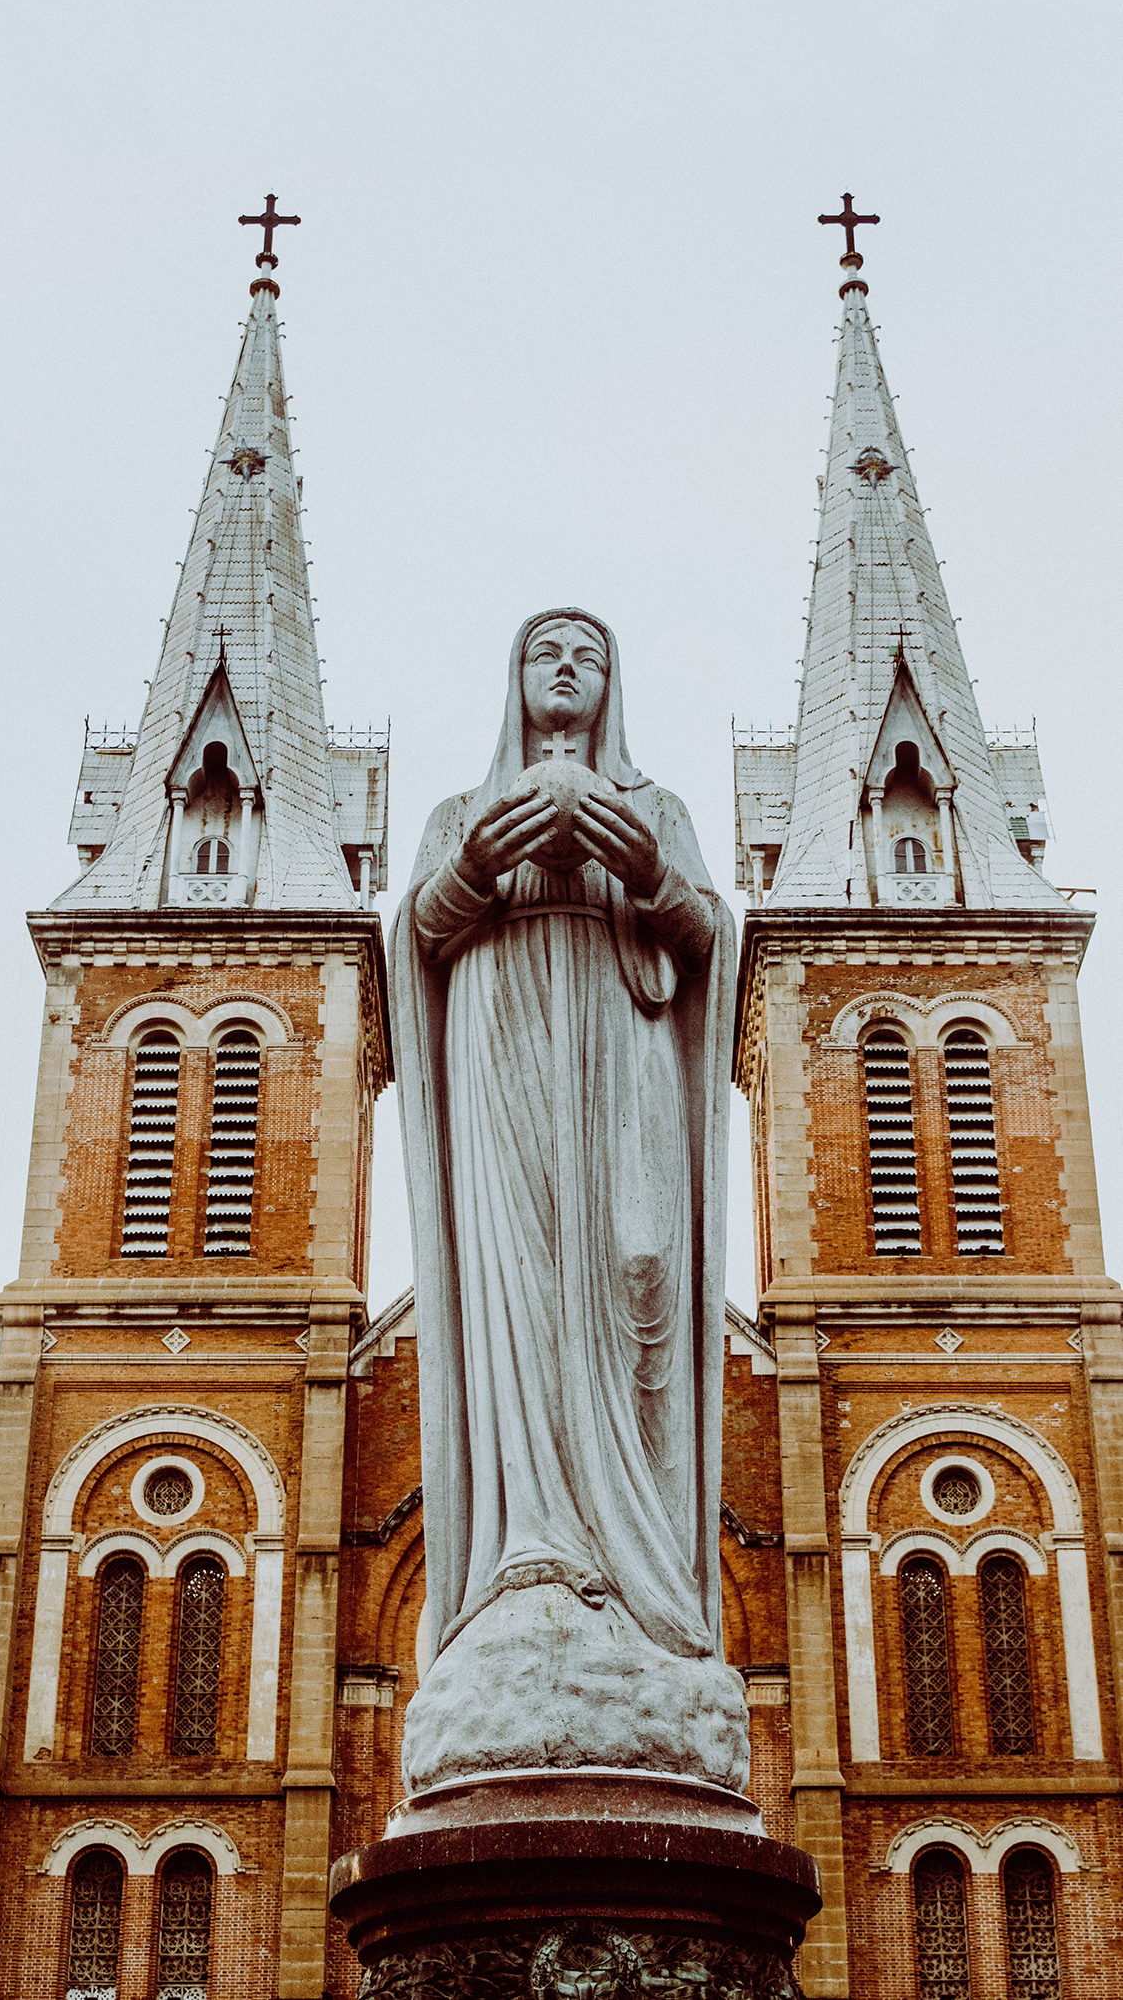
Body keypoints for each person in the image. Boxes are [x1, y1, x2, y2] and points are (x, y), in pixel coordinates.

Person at [389, 609, 736, 1673]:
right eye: (548, 652)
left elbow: (713, 940)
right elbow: (414, 940)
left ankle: (643, 1580)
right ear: (516, 678)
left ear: (612, 683)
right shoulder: (462, 809)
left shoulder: (657, 806)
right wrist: (472, 872)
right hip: (504, 1056)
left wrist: (652, 876)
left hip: (624, 1050)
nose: (568, 669)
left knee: (641, 1267)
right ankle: (528, 1553)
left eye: (589, 655)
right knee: (520, 1295)